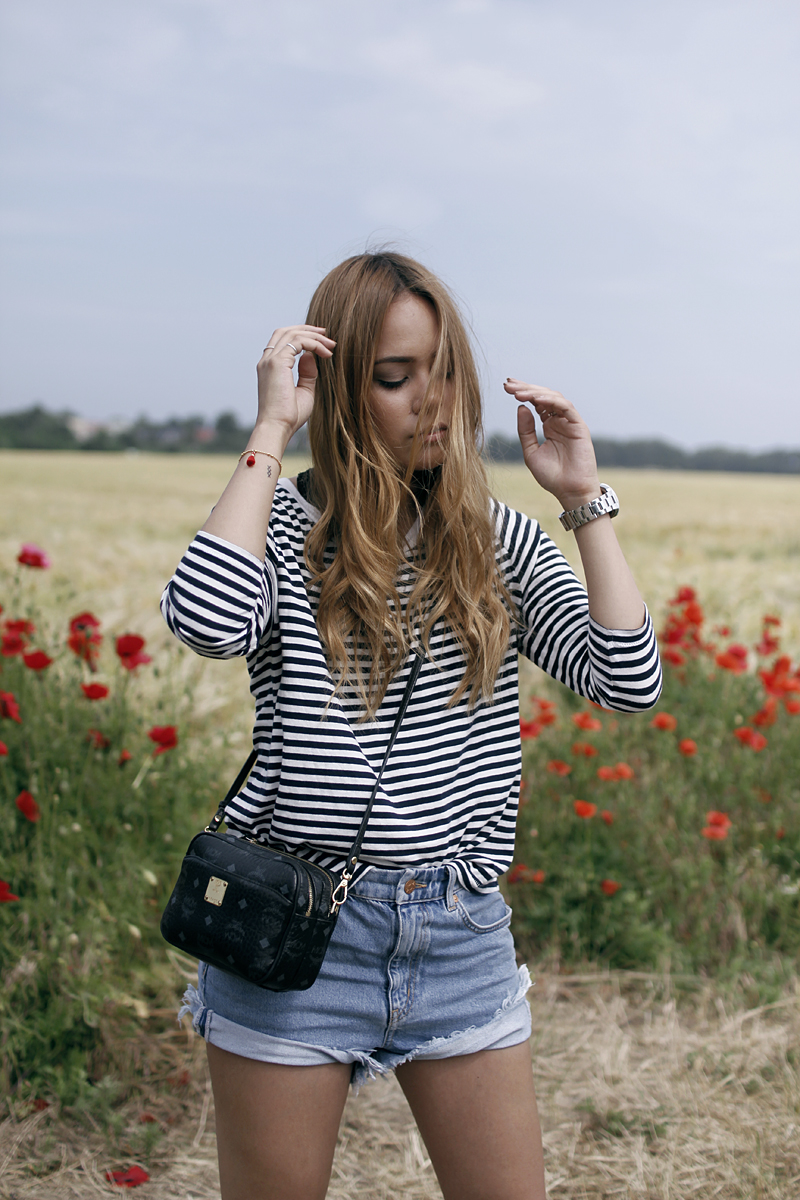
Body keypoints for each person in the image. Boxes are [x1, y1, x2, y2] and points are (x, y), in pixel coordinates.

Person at [161, 251, 662, 1200]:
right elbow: (205, 621)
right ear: (343, 390)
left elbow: (628, 679)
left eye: (443, 371)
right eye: (395, 377)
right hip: (296, 937)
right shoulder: (279, 537)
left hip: (457, 935)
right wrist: (272, 426)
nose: (430, 400)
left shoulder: (494, 538)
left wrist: (582, 500)